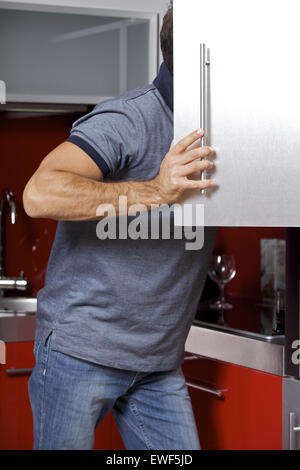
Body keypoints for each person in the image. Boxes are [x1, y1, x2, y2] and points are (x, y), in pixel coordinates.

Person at [23, 2, 217, 450]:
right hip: (79, 350)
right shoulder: (130, 118)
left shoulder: (226, 132)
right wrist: (156, 191)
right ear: (197, 57)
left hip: (157, 362)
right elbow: (39, 193)